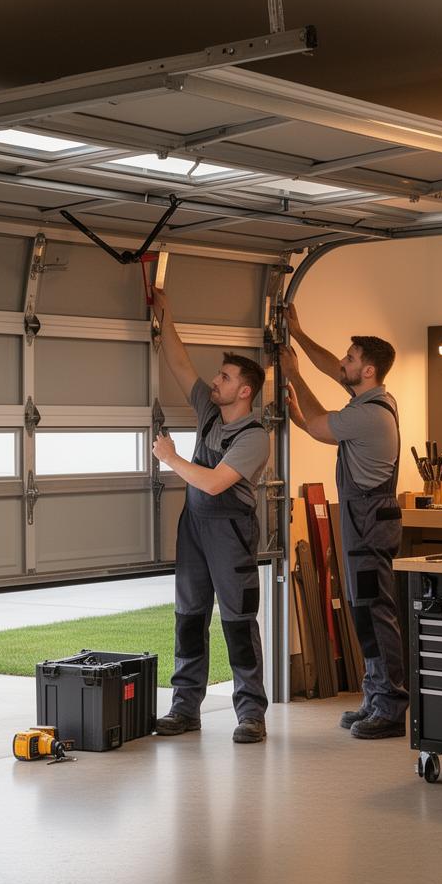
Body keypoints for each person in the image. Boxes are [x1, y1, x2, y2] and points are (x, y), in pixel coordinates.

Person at [149, 288, 271, 743]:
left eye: (223, 376)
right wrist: (166, 316)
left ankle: (250, 714)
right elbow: (179, 364)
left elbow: (217, 482)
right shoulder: (209, 413)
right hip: (195, 530)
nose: (213, 381)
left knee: (238, 623)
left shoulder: (255, 437)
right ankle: (185, 710)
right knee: (188, 617)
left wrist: (172, 459)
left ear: (244, 391)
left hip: (231, 534)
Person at [282, 303, 407, 739]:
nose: (343, 363)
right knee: (363, 613)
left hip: (369, 525)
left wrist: (292, 374)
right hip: (362, 522)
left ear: (368, 370)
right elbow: (326, 375)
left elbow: (320, 426)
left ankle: (390, 707)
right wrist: (297, 333)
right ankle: (375, 697)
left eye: (351, 359)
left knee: (376, 614)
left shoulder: (369, 413)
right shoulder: (369, 398)